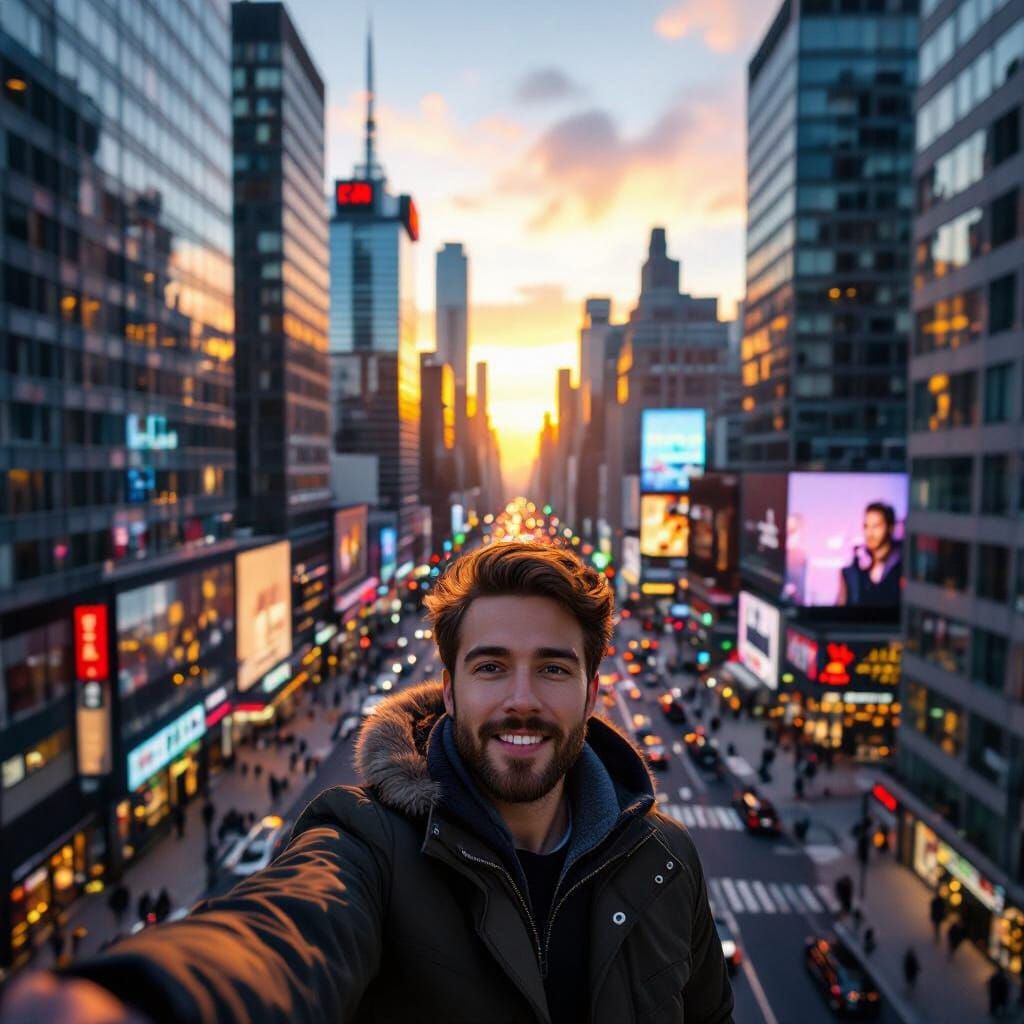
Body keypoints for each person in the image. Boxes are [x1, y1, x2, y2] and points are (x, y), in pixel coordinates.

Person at [0, 542, 733, 1023]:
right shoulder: (367, 844)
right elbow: (285, 935)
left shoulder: (667, 862)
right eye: (489, 667)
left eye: (552, 666)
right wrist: (149, 999)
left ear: (592, 690)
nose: (521, 699)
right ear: (447, 690)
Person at [837, 501, 902, 607]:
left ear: (890, 528)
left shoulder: (900, 566)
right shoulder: (854, 570)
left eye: (876, 526)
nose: (869, 533)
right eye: (866, 526)